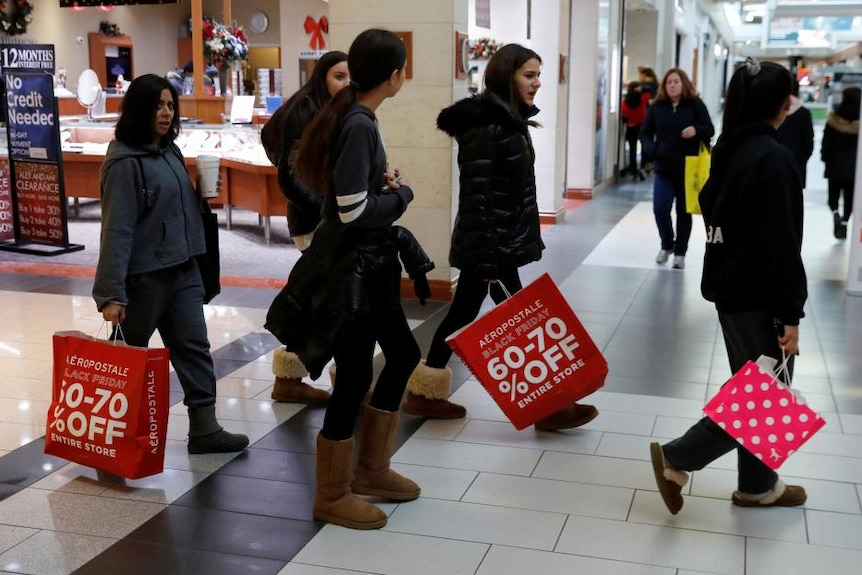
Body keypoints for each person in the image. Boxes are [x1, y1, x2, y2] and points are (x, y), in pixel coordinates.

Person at [403, 44, 599, 431]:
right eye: (529, 75)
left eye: (538, 75)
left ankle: (425, 393)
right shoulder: (487, 126)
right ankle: (549, 406)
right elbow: (477, 199)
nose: (537, 83)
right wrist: (489, 259)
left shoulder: (507, 120)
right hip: (490, 247)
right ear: (506, 75)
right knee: (522, 322)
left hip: (496, 245)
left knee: (466, 312)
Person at [650, 58, 807, 515]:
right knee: (764, 396)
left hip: (730, 290)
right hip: (760, 297)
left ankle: (759, 487)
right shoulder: (773, 159)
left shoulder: (728, 150)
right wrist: (791, 313)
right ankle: (677, 457)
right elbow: (782, 246)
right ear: (781, 105)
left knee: (755, 386)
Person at [289, 29, 421, 530]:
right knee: (357, 375)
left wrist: (381, 185)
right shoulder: (360, 122)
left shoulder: (358, 117)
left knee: (402, 356)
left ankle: (370, 469)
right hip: (355, 269)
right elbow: (351, 210)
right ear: (393, 75)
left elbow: (352, 196)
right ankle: (333, 491)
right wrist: (402, 195)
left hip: (370, 265)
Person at [93, 74, 249, 454]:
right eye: (157, 106)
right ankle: (110, 435)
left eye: (170, 105)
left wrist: (199, 195)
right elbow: (117, 229)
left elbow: (174, 208)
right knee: (128, 357)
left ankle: (205, 428)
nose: (166, 113)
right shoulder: (124, 163)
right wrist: (112, 293)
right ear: (138, 110)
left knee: (194, 346)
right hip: (144, 278)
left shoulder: (170, 151)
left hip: (182, 269)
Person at [267, 51, 349, 406]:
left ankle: (290, 376)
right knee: (337, 303)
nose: (347, 84)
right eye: (339, 77)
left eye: (350, 78)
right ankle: (340, 382)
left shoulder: (330, 110)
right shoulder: (306, 112)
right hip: (314, 222)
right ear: (322, 79)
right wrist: (326, 211)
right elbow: (288, 176)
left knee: (328, 300)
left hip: (326, 220)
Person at [639, 67, 714, 270]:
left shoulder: (695, 105)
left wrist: (695, 130)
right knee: (660, 208)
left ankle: (680, 252)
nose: (672, 85)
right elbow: (644, 133)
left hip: (689, 168)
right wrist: (653, 150)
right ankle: (667, 244)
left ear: (684, 83)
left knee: (684, 212)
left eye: (676, 81)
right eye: (669, 82)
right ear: (664, 86)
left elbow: (710, 129)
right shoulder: (656, 107)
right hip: (663, 166)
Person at [820, 86, 860, 240]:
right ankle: (844, 222)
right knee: (850, 197)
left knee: (833, 195)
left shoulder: (834, 119)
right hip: (854, 167)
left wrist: (825, 158)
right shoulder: (859, 121)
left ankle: (835, 212)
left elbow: (826, 142)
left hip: (835, 164)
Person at [776, 78, 814, 190]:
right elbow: (808, 141)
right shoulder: (804, 113)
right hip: (796, 161)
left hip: (773, 163)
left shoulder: (773, 111)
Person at [621, 81, 649, 181]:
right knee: (644, 147)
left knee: (632, 149)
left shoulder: (624, 102)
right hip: (642, 126)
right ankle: (642, 167)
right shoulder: (643, 99)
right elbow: (650, 89)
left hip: (631, 127)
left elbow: (624, 115)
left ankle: (633, 170)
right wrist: (642, 87)